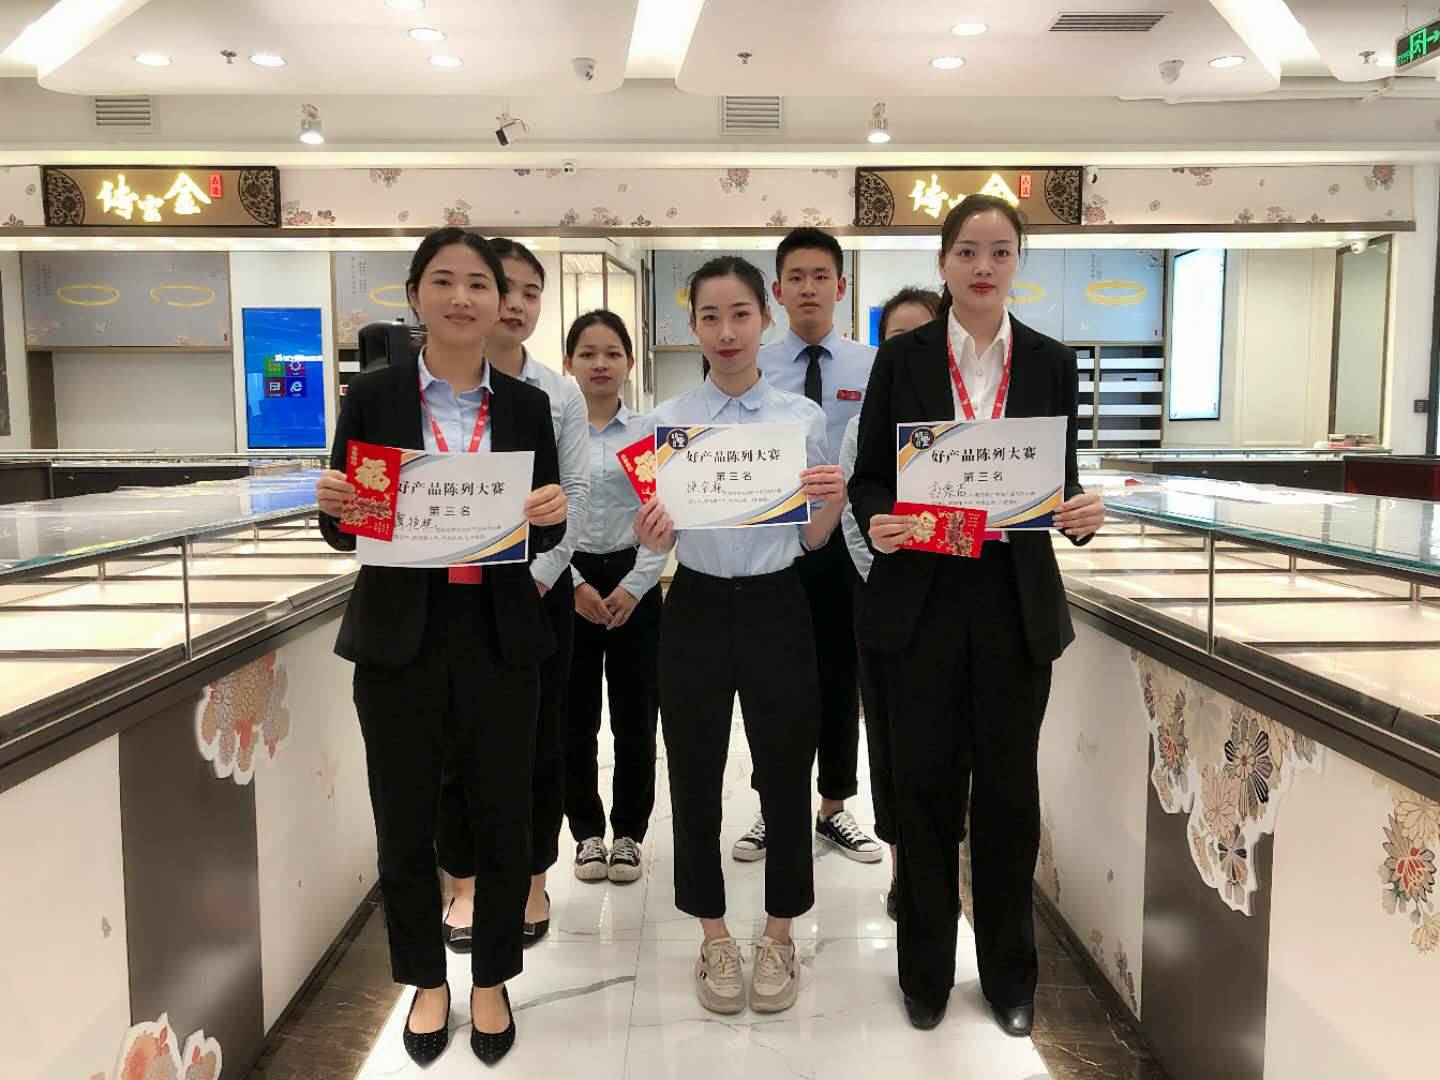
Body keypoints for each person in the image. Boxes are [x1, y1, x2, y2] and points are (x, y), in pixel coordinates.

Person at [849, 195, 1106, 1036]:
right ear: (944, 262)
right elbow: (869, 476)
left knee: (1007, 796)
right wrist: (878, 518)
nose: (984, 266)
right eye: (967, 250)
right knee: (923, 790)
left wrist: (1081, 513)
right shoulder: (904, 357)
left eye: (1000, 251)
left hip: (1011, 602)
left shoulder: (1051, 361)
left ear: (1018, 262)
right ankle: (925, 973)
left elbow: (1061, 482)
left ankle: (1009, 977)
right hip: (921, 599)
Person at [315, 227, 568, 1067]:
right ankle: (425, 980)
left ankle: (492, 977)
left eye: (479, 284)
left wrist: (550, 515)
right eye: (444, 280)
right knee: (403, 822)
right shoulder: (374, 396)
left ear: (501, 302)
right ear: (415, 293)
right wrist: (335, 503)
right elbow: (345, 531)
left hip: (498, 636)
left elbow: (540, 530)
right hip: (400, 637)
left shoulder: (525, 407)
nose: (463, 298)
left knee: (503, 813)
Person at [634, 256, 846, 1016]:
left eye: (740, 314)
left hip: (777, 603)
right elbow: (657, 538)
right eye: (710, 317)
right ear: (692, 326)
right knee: (693, 772)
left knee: (786, 772)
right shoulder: (665, 424)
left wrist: (833, 500)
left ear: (766, 317)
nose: (726, 331)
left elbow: (813, 538)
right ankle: (714, 934)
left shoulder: (801, 419)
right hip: (692, 603)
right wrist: (649, 534)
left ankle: (780, 931)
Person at [436, 238, 591, 950]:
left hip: (532, 592)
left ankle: (533, 878)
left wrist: (537, 575)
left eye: (532, 292)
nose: (518, 304)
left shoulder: (557, 394)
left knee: (538, 740)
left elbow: (573, 493)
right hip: (447, 597)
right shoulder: (425, 391)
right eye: (508, 288)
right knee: (453, 747)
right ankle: (465, 884)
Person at [732, 227, 881, 866]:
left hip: (848, 544)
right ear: (778, 289)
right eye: (796, 276)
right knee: (773, 678)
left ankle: (833, 806)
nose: (809, 287)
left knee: (841, 674)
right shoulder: (752, 363)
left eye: (821, 276)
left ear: (841, 287)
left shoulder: (874, 366)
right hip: (775, 547)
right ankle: (774, 806)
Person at [838, 287, 943, 921]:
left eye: (919, 337)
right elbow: (857, 512)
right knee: (894, 742)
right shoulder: (864, 425)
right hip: (888, 600)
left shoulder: (970, 426)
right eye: (895, 341)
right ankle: (906, 873)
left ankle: (945, 872)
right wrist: (886, 577)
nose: (907, 351)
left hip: (955, 604)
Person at [562, 310, 668, 884]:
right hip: (568, 579)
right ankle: (586, 833)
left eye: (612, 353)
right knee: (572, 718)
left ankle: (628, 833)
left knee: (635, 717)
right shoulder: (556, 432)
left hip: (635, 581)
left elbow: (664, 518)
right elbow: (542, 520)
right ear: (569, 363)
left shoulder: (648, 434)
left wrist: (635, 585)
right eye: (587, 353)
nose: (600, 364)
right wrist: (573, 583)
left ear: (630, 362)